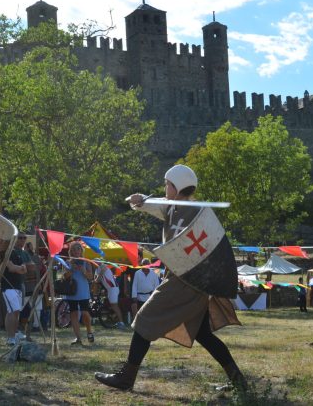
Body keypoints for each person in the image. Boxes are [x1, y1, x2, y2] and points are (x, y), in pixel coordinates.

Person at [95, 164, 245, 392]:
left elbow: (210, 249)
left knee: (144, 320)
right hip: (186, 281)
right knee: (203, 334)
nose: (165, 188)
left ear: (178, 186)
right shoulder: (172, 208)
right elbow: (152, 205)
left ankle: (126, 377)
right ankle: (238, 381)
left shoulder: (198, 212)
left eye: (168, 184)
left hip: (186, 282)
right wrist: (141, 199)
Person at [64, 241, 94, 345]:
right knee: (74, 314)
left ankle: (89, 331)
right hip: (72, 292)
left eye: (78, 248)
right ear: (71, 251)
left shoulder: (86, 262)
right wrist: (71, 270)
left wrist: (84, 271)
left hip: (83, 292)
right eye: (74, 249)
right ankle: (78, 338)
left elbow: (91, 277)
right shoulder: (68, 262)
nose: (77, 251)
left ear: (82, 250)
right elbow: (64, 277)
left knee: (85, 313)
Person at [2, 238, 27, 346]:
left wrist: (19, 268)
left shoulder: (17, 253)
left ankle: (14, 334)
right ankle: (10, 337)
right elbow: (11, 268)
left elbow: (24, 269)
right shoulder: (4, 253)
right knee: (12, 311)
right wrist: (19, 268)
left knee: (16, 311)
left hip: (17, 286)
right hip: (8, 287)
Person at [96, 263, 126, 329]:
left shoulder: (103, 266)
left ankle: (121, 323)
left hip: (113, 288)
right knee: (113, 306)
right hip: (110, 289)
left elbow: (98, 279)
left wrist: (96, 279)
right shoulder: (97, 269)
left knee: (114, 306)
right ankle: (117, 319)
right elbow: (96, 279)